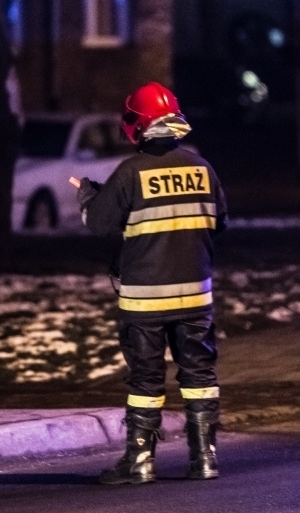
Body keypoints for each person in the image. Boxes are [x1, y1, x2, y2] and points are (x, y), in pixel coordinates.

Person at [77, 81, 228, 484]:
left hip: (145, 301)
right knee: (199, 375)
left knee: (145, 380)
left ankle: (140, 462)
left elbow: (101, 224)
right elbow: (219, 222)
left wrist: (91, 197)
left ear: (137, 124)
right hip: (196, 295)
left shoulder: (130, 171)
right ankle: (206, 459)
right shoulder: (202, 168)